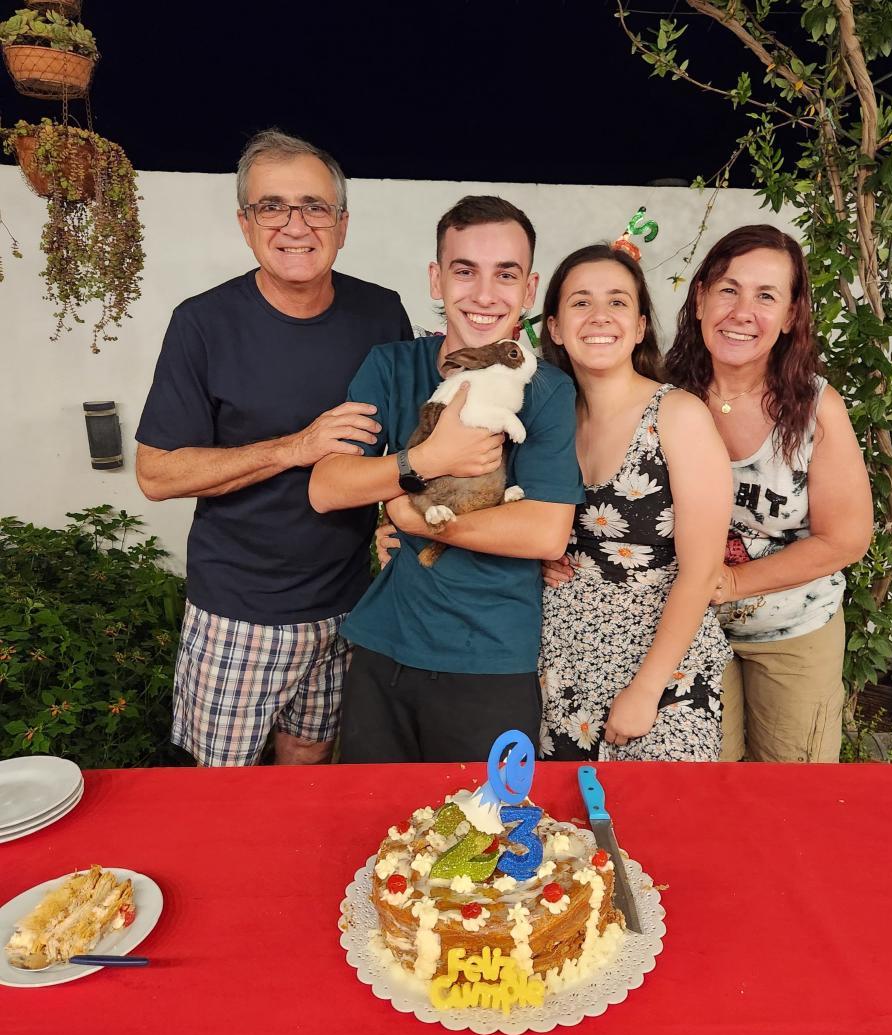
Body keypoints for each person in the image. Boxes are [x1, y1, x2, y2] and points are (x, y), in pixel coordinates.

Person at [134, 129, 412, 767]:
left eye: (314, 207)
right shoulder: (203, 323)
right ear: (245, 223)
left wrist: (398, 520)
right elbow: (156, 473)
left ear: (342, 224)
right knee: (217, 784)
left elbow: (406, 442)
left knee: (306, 767)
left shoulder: (380, 314)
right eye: (272, 207)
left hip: (348, 604)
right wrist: (294, 447)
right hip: (239, 615)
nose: (295, 225)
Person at [308, 195, 583, 762]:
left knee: (485, 818)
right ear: (436, 279)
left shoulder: (547, 390)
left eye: (505, 274)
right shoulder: (390, 366)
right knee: (373, 814)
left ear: (529, 289)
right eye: (465, 271)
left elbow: (545, 533)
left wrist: (414, 520)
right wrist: (426, 461)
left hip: (491, 659)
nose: (484, 294)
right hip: (386, 646)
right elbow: (327, 488)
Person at [663, 224, 873, 763]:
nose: (742, 312)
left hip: (793, 630)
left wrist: (734, 581)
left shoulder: (815, 407)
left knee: (791, 790)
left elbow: (846, 538)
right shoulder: (660, 393)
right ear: (700, 297)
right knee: (702, 781)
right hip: (684, 628)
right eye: (729, 290)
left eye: (765, 296)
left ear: (791, 315)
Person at [536, 245, 733, 760]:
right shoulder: (546, 420)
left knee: (660, 810)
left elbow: (702, 570)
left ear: (641, 326)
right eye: (581, 302)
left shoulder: (677, 415)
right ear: (555, 327)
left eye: (618, 302)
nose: (600, 316)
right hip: (562, 667)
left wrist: (647, 689)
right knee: (564, 812)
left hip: (661, 670)